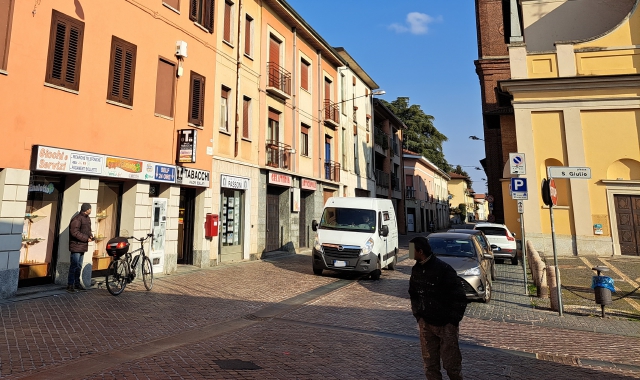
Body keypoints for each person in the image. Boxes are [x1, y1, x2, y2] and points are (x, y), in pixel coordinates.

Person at [408, 236, 467, 380]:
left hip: (446, 325)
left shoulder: (443, 269)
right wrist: (419, 316)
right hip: (426, 324)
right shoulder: (416, 270)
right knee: (430, 365)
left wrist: (452, 321)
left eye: (412, 250)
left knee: (451, 365)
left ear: (420, 251)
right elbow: (413, 293)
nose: (410, 253)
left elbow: (459, 296)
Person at [68, 203, 94, 293]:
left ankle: (77, 284)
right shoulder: (77, 219)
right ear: (86, 209)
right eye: (90, 209)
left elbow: (87, 230)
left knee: (78, 266)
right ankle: (70, 285)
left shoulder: (87, 218)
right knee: (74, 265)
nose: (91, 210)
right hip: (76, 245)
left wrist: (90, 236)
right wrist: (86, 238)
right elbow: (74, 232)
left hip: (82, 245)